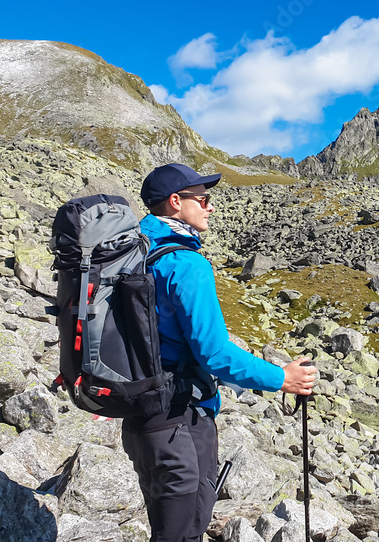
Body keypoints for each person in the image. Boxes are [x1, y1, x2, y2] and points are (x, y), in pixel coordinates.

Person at [122, 163, 317, 542]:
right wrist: (283, 378)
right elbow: (214, 353)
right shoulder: (185, 263)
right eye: (204, 199)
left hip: (140, 415)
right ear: (176, 202)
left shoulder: (136, 252)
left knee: (167, 529)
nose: (211, 207)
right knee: (185, 533)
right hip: (180, 418)